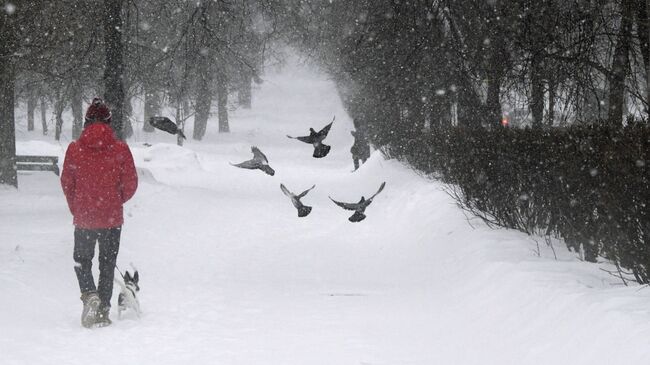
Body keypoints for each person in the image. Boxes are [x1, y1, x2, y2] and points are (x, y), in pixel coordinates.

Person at [61, 98, 138, 328]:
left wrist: (78, 206)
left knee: (81, 261)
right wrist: (115, 200)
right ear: (109, 121)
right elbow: (131, 183)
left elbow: (67, 182)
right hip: (111, 218)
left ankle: (89, 294)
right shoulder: (120, 149)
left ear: (86, 121)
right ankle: (103, 309)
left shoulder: (75, 149)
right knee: (107, 263)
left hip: (84, 218)